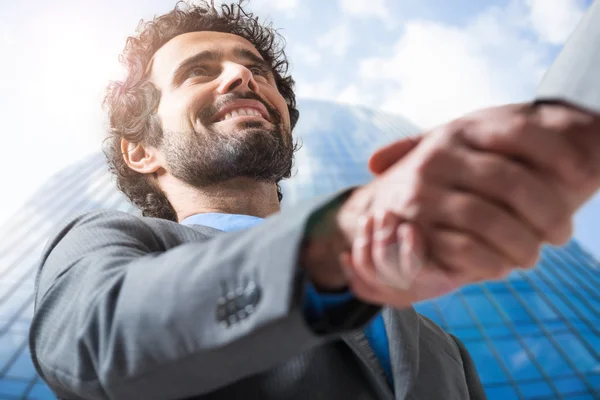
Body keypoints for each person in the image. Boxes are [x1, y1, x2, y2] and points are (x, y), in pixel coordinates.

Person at [28, 1, 599, 400]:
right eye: (199, 71)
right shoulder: (107, 245)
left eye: (257, 68)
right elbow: (91, 346)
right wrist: (346, 240)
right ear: (140, 153)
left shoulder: (438, 344)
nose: (241, 77)